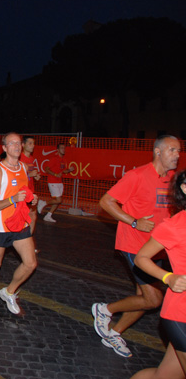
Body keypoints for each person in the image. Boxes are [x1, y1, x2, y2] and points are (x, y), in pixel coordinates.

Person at [92, 135, 181, 358]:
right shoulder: (137, 175)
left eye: (179, 151)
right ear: (158, 152)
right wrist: (134, 221)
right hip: (134, 245)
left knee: (143, 297)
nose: (177, 155)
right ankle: (104, 310)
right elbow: (106, 202)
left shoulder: (173, 179)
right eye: (172, 150)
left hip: (157, 246)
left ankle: (114, 332)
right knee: (153, 298)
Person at [0, 132, 39, 315]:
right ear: (4, 148)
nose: (16, 146)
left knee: (30, 263)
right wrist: (12, 199)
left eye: (18, 143)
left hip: (19, 223)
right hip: (0, 225)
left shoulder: (24, 168)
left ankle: (9, 291)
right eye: (12, 143)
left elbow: (23, 193)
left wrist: (30, 199)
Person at [131, 170, 186, 378]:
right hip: (181, 313)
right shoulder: (175, 225)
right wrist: (168, 277)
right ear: (185, 188)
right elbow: (141, 258)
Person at [37, 142, 75, 222]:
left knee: (57, 201)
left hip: (59, 182)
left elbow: (63, 171)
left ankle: (48, 216)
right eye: (61, 148)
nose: (63, 150)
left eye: (64, 148)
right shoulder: (54, 158)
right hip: (52, 181)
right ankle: (43, 203)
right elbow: (46, 169)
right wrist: (55, 174)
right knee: (59, 200)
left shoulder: (64, 160)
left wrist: (69, 170)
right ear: (57, 150)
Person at [20, 136, 41, 234]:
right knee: (23, 216)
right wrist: (29, 175)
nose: (33, 146)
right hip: (22, 192)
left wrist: (35, 176)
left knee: (33, 215)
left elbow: (31, 174)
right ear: (23, 145)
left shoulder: (31, 158)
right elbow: (17, 176)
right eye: (30, 143)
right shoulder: (20, 158)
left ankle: (29, 238)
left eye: (33, 143)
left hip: (31, 191)